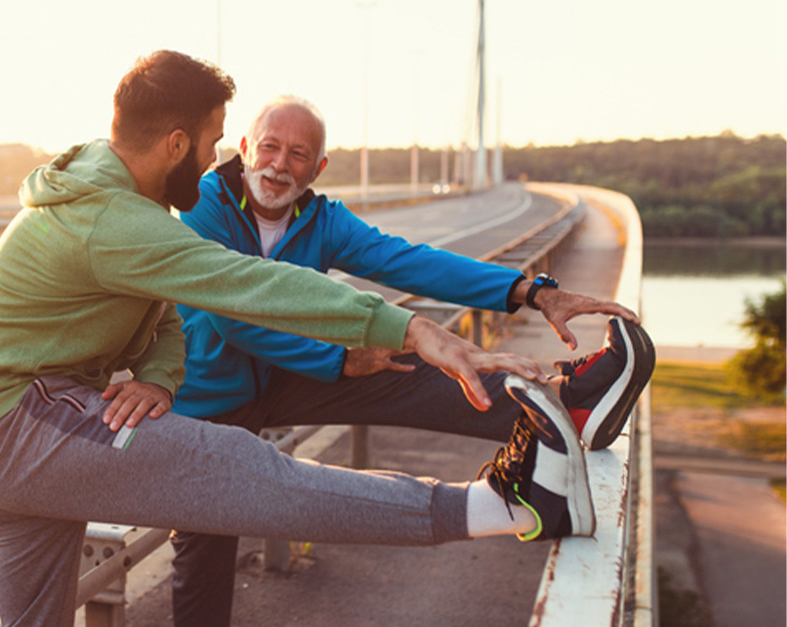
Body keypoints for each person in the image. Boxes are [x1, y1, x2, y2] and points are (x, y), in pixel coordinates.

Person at [0, 50, 610, 627]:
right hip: (25, 424)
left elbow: (167, 317)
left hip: (4, 434)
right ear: (178, 143)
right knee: (250, 473)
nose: (219, 159)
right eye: (216, 142)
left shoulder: (127, 198)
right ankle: (503, 504)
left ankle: (558, 406)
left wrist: (155, 376)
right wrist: (408, 327)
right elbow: (246, 288)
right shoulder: (120, 218)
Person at [166, 95, 656, 626]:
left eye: (299, 154)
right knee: (204, 549)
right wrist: (339, 358)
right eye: (270, 147)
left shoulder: (321, 221)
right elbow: (232, 316)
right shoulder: (203, 205)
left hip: (286, 374)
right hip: (208, 398)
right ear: (244, 149)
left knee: (404, 366)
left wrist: (530, 292)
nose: (280, 165)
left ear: (319, 168)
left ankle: (568, 403)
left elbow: (410, 262)